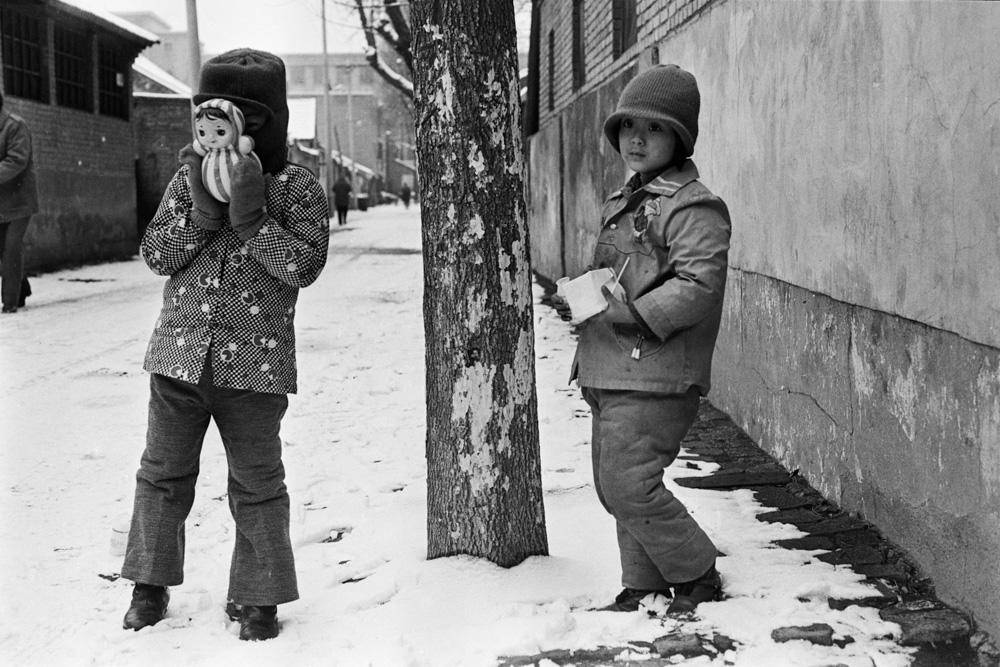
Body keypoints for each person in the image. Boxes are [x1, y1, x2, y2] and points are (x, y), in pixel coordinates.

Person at [120, 48, 330, 641]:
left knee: (258, 483)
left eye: (242, 117)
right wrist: (201, 215)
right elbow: (156, 255)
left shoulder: (296, 188)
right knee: (161, 474)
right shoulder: (187, 179)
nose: (222, 131)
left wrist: (252, 219)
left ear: (266, 122)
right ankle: (148, 584)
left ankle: (259, 597)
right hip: (179, 356)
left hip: (255, 364)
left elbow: (303, 266)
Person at [554, 65, 731, 615]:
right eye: (628, 125)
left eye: (653, 128)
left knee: (631, 484)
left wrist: (630, 312)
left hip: (656, 370)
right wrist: (586, 295)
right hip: (612, 365)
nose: (636, 138)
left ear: (679, 137)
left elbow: (699, 284)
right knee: (614, 485)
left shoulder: (692, 205)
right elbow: (622, 273)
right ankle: (642, 584)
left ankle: (696, 572)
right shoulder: (627, 199)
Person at [0, 91, 38, 314]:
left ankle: (10, 302)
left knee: (11, 250)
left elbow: (17, 160)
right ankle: (21, 287)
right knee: (3, 252)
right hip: (1, 202)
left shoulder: (15, 126)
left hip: (19, 200)